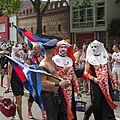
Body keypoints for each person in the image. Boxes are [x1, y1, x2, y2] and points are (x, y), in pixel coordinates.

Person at [83, 40, 118, 120]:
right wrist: (94, 79)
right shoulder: (90, 59)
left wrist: (114, 82)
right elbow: (85, 72)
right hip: (95, 83)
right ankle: (87, 113)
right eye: (92, 47)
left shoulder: (105, 58)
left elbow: (109, 72)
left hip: (106, 83)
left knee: (107, 101)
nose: (94, 48)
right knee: (96, 103)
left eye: (96, 47)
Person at [39, 39, 70, 120]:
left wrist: (62, 80)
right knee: (52, 117)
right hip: (48, 94)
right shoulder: (43, 65)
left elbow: (54, 75)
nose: (57, 50)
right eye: (55, 49)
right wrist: (58, 84)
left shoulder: (53, 61)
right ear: (51, 50)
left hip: (56, 93)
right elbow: (42, 82)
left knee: (62, 115)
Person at [52, 40, 82, 120]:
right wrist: (62, 71)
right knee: (61, 108)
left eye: (65, 47)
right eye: (61, 47)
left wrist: (77, 89)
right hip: (59, 88)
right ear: (58, 48)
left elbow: (73, 76)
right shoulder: (54, 60)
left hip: (69, 89)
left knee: (69, 107)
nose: (63, 49)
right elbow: (52, 75)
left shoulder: (70, 60)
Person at [26, 43, 43, 119]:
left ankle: (43, 113)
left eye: (35, 49)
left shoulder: (42, 58)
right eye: (33, 49)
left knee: (42, 98)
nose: (34, 51)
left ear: (39, 49)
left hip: (42, 81)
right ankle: (29, 110)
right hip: (33, 81)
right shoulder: (30, 59)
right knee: (32, 97)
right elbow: (25, 68)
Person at [7, 44, 24, 120]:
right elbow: (9, 75)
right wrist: (8, 85)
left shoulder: (21, 61)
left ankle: (13, 113)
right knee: (19, 101)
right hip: (15, 82)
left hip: (21, 82)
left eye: (21, 50)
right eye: (19, 50)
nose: (21, 51)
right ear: (15, 51)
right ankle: (21, 118)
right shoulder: (11, 62)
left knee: (18, 101)